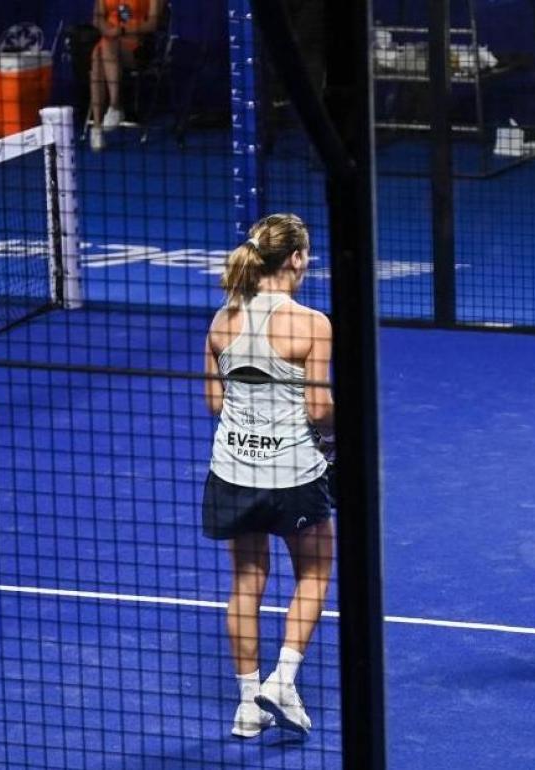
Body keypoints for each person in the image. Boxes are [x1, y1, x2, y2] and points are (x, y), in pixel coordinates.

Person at [203, 213, 335, 736]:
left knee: (246, 582)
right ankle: (283, 679)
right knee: (316, 570)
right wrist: (334, 443)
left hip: (232, 472)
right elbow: (320, 409)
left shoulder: (221, 321)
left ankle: (247, 705)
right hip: (293, 473)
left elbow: (215, 403)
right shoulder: (311, 324)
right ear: (297, 259)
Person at [88, 0, 168, 151]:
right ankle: (99, 126)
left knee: (104, 48)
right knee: (99, 54)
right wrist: (108, 31)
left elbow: (153, 23)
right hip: (109, 40)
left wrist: (123, 30)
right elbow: (97, 18)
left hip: (138, 47)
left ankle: (114, 106)